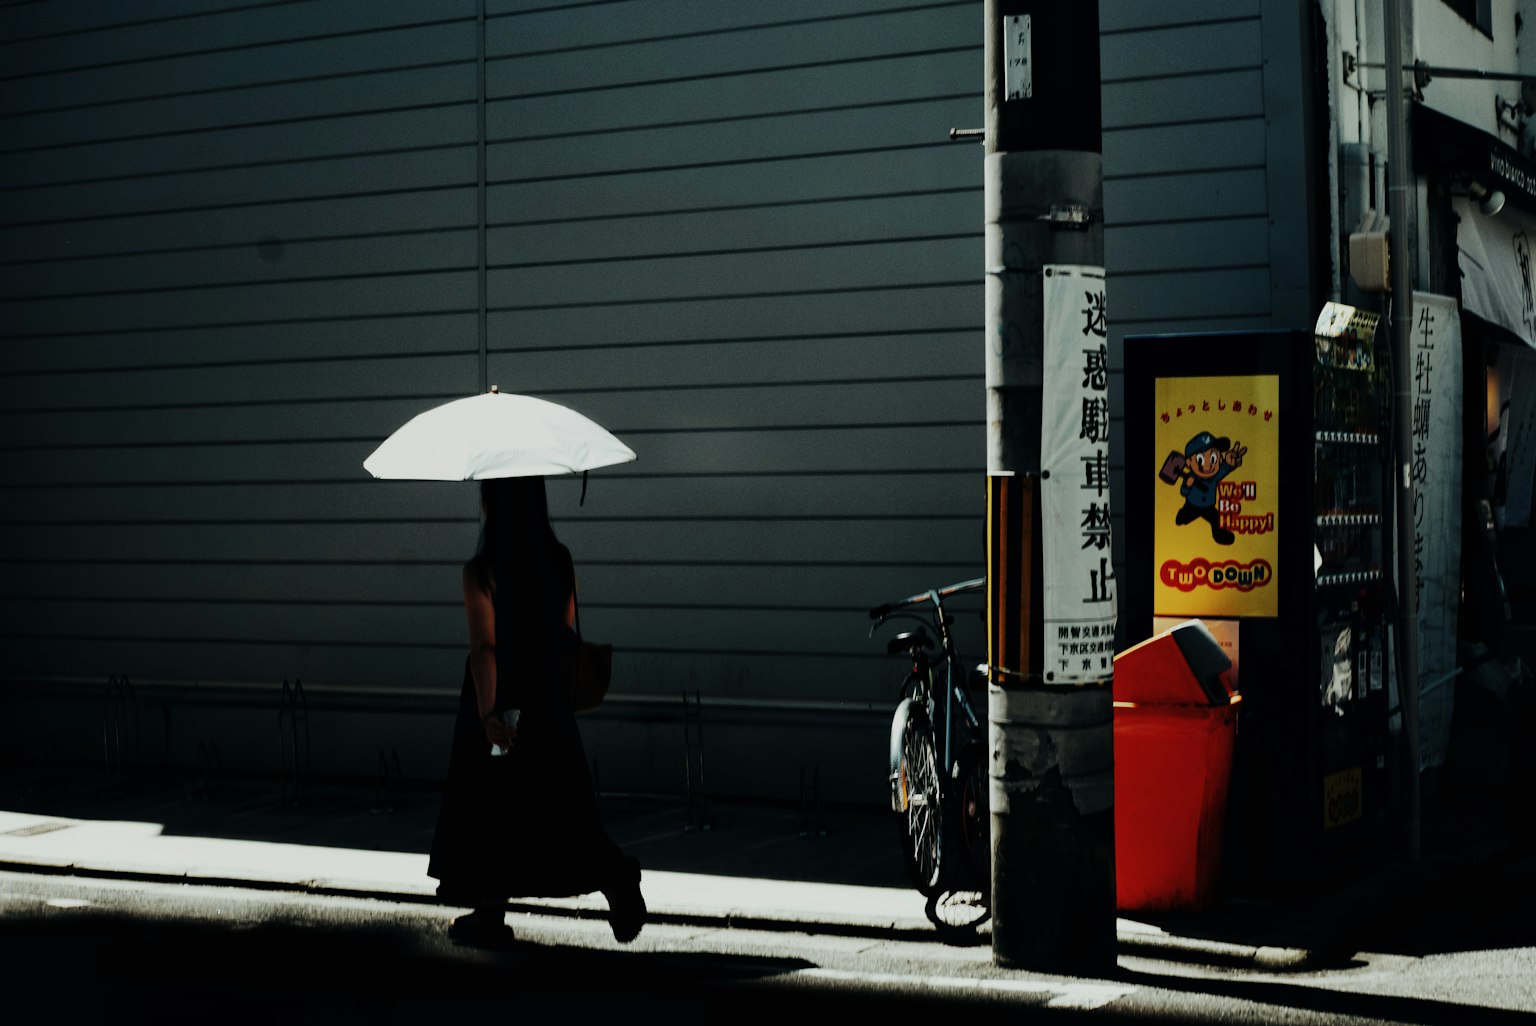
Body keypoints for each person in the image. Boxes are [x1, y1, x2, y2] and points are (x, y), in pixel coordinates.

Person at [428, 475, 645, 947]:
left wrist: (489, 715)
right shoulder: (559, 559)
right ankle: (615, 875)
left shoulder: (481, 571)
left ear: (491, 504)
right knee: (561, 803)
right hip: (546, 697)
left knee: (494, 804)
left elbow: (485, 647)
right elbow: (563, 630)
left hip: (504, 698)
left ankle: (490, 913)